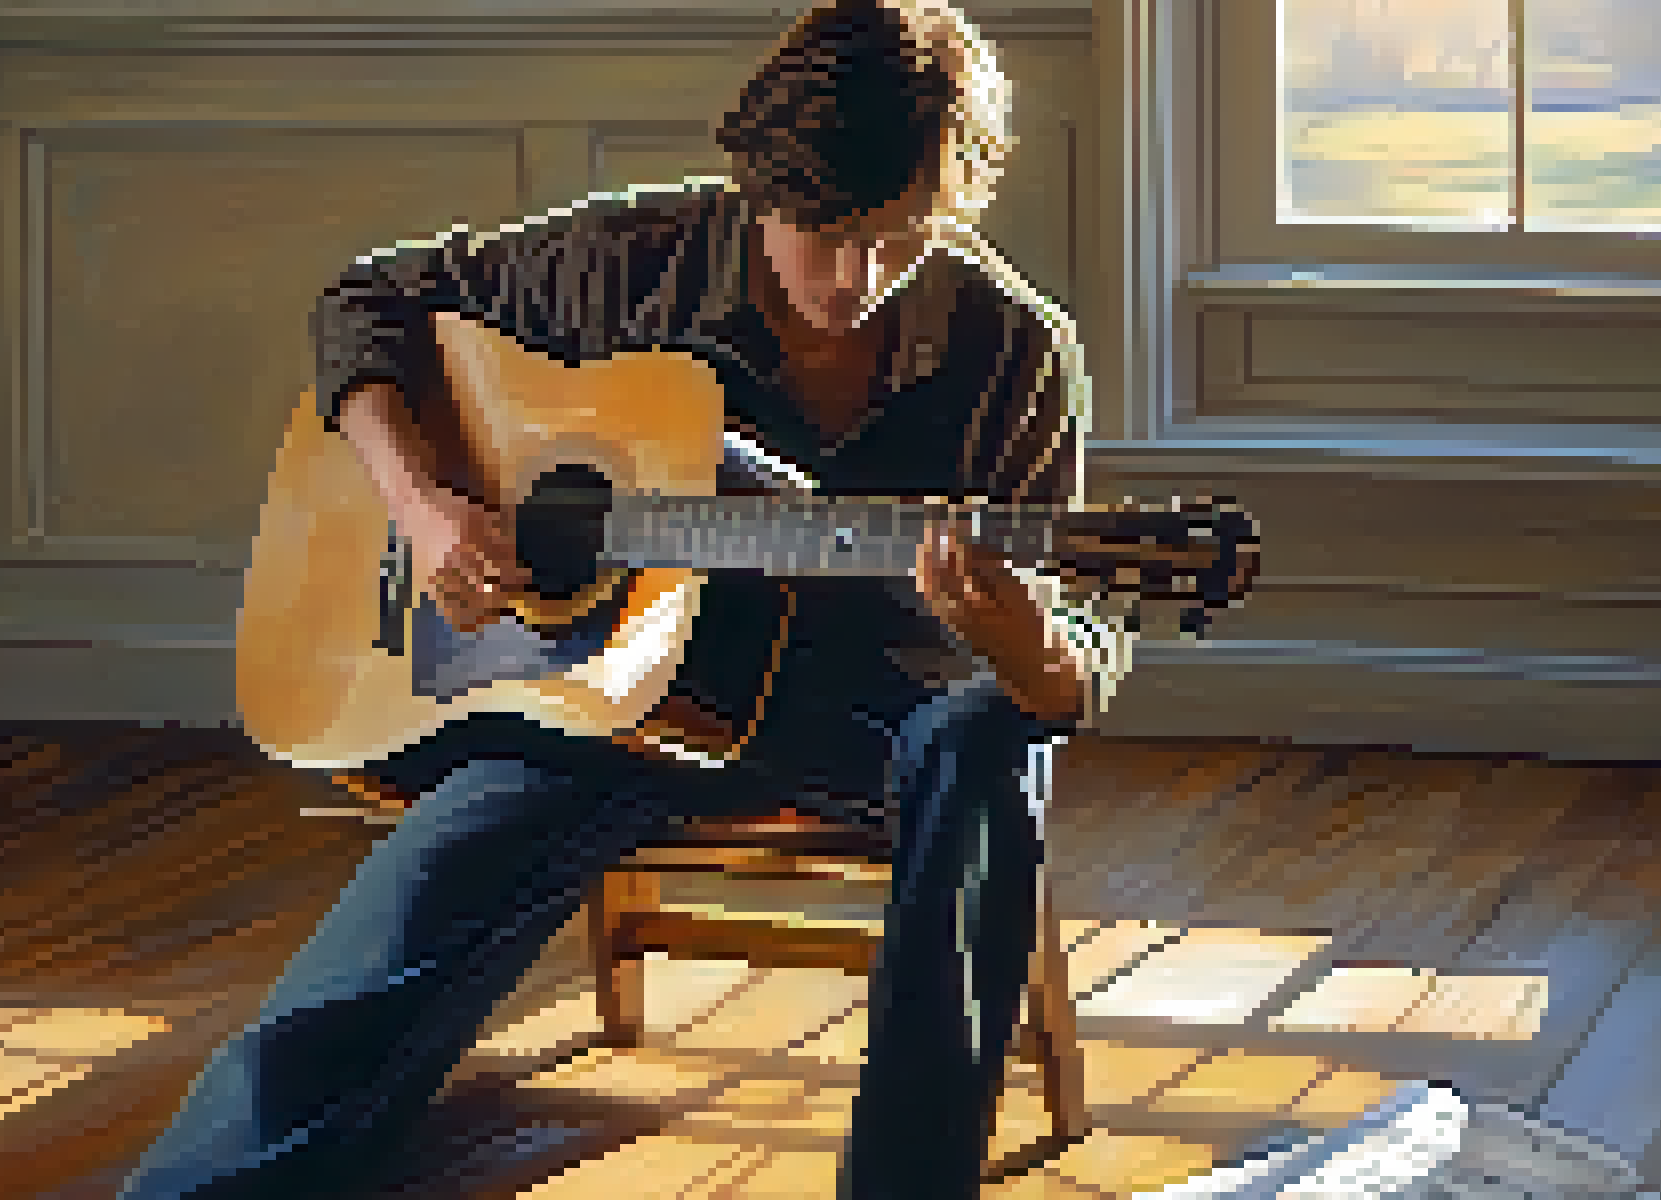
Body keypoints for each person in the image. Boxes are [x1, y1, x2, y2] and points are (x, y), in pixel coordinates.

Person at [120, 2, 1140, 1197]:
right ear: (761, 181)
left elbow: (1078, 646)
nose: (857, 281)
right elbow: (366, 302)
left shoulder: (1017, 351)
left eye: (901, 239)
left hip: (873, 715)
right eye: (824, 234)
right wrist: (424, 506)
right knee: (416, 901)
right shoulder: (633, 262)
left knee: (984, 743)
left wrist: (1028, 655)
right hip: (625, 697)